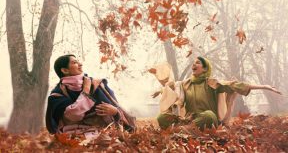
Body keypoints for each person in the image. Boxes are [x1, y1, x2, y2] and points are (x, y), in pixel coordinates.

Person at [151, 57, 281, 130]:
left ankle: (181, 130)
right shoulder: (185, 84)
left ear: (205, 68)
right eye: (194, 62)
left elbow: (236, 85)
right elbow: (171, 88)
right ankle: (185, 128)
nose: (194, 64)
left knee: (209, 115)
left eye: (198, 63)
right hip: (188, 120)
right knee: (161, 117)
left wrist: (264, 86)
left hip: (206, 119)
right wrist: (160, 91)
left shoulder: (213, 83)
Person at [45, 54, 135, 135]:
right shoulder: (57, 95)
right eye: (75, 62)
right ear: (65, 70)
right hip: (73, 135)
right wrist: (86, 90)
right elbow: (75, 114)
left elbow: (116, 108)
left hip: (105, 133)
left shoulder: (98, 84)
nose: (80, 64)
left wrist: (115, 111)